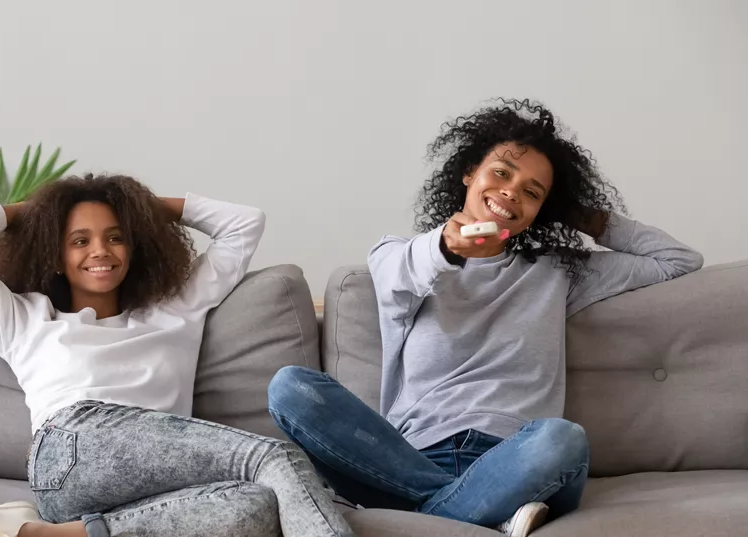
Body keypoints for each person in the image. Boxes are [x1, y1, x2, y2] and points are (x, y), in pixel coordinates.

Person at [267, 99, 704, 537]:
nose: (512, 190)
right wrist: (447, 247)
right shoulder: (403, 259)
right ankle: (484, 512)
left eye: (533, 192)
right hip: (408, 458)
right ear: (469, 172)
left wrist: (578, 214)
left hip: (518, 460)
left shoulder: (559, 272)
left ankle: (432, 510)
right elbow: (412, 264)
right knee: (290, 386)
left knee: (563, 439)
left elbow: (677, 259)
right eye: (501, 172)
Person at [0, 174, 355, 537]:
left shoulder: (176, 309)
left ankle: (50, 535)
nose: (101, 251)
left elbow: (244, 224)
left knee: (257, 505)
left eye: (116, 237)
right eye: (79, 240)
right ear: (55, 255)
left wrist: (140, 209)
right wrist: (39, 214)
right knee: (276, 457)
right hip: (70, 449)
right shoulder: (25, 318)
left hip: (133, 487)